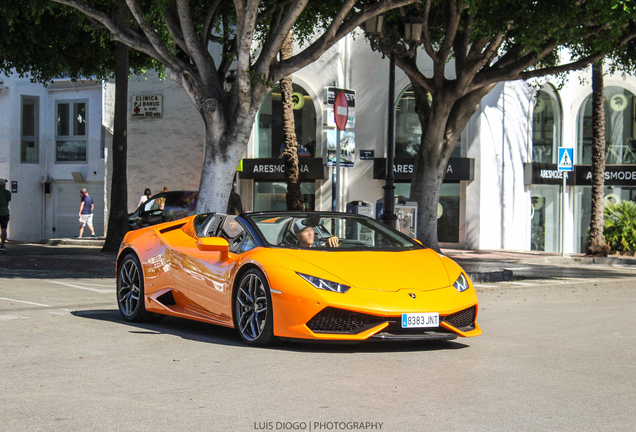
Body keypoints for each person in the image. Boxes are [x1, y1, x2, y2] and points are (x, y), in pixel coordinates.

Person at [0, 179, 11, 251]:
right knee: (3, 229)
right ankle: (2, 245)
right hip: (4, 212)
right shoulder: (7, 192)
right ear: (4, 185)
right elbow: (8, 200)